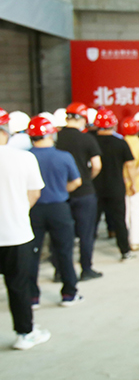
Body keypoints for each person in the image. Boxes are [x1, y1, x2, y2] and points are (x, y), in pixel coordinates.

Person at [0, 108, 51, 350]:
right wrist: (16, 210)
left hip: (15, 232)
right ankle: (25, 333)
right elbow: (34, 193)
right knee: (18, 285)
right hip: (15, 233)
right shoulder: (23, 158)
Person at [27, 115, 84, 307]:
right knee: (64, 252)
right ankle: (69, 293)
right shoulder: (63, 156)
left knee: (31, 254)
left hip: (33, 209)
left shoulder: (26, 157)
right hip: (59, 208)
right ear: (51, 134)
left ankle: (32, 297)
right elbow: (76, 181)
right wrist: (61, 190)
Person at [56, 102, 104, 281]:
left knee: (61, 235)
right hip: (84, 192)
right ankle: (86, 269)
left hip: (62, 193)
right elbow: (97, 165)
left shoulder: (56, 138)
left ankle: (60, 271)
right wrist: (87, 178)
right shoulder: (87, 139)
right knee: (86, 233)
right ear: (83, 119)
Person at [92, 108, 138, 261]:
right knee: (119, 220)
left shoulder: (91, 141)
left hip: (95, 188)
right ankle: (125, 251)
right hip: (116, 187)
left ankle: (86, 254)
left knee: (92, 222)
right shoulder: (120, 143)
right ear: (113, 125)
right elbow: (130, 165)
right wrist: (133, 183)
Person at [120, 116, 139, 252]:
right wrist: (133, 180)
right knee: (136, 212)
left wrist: (127, 179)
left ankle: (124, 239)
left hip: (122, 182)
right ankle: (135, 241)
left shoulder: (120, 143)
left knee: (124, 213)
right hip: (138, 183)